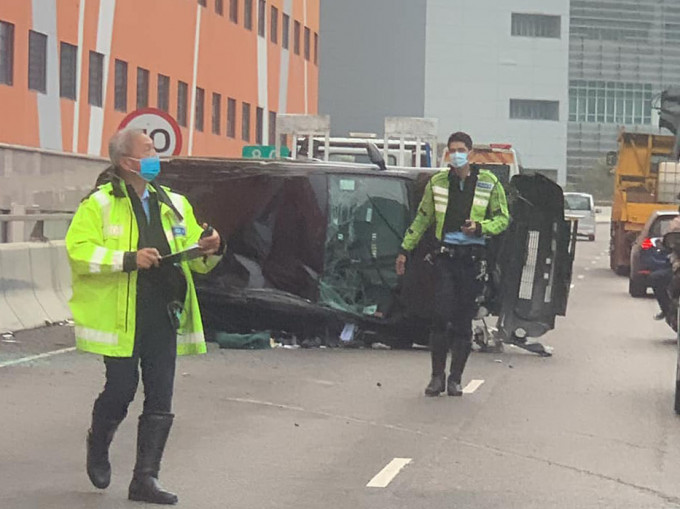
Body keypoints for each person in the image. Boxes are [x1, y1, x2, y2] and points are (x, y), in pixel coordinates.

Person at [66, 128, 225, 505]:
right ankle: (98, 442)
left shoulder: (174, 202)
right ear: (126, 162)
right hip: (122, 314)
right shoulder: (99, 204)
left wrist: (211, 247)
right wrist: (127, 259)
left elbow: (199, 263)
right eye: (149, 150)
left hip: (164, 311)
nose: (156, 156)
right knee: (120, 391)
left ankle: (145, 479)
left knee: (160, 397)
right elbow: (78, 251)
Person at [395, 132, 509, 397]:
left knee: (462, 322)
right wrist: (404, 250)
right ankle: (437, 377)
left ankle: (455, 378)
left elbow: (503, 218)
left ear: (470, 153)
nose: (456, 154)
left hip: (472, 261)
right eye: (452, 150)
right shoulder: (437, 183)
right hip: (445, 257)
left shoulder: (488, 183)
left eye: (461, 149)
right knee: (440, 317)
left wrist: (481, 227)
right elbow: (422, 219)